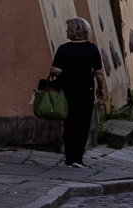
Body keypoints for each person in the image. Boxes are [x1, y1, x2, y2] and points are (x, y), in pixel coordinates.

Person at [49, 18, 106, 167]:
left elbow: (56, 71)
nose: (66, 31)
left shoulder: (64, 49)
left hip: (67, 90)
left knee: (69, 123)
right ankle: (78, 158)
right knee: (83, 123)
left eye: (68, 29)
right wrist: (101, 88)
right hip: (86, 90)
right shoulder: (92, 49)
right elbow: (99, 72)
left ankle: (69, 157)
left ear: (74, 32)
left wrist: (58, 70)